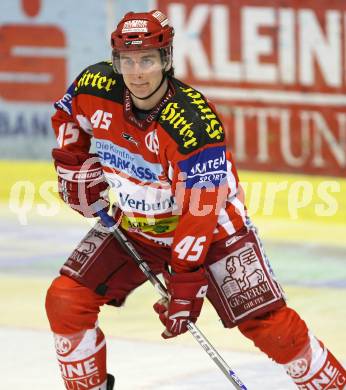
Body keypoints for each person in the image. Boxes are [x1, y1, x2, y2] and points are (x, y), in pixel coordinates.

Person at [46, 9, 346, 390]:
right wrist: (73, 165)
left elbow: (200, 208)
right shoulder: (94, 85)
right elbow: (68, 116)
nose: (137, 72)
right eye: (128, 61)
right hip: (137, 224)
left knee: (271, 328)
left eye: (148, 60)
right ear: (115, 60)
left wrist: (186, 278)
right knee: (66, 301)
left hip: (214, 232)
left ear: (166, 59)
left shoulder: (193, 123)